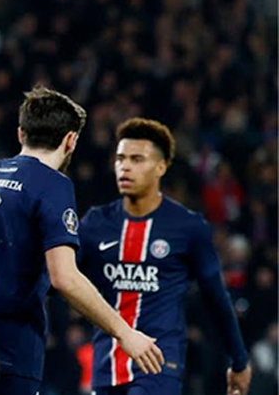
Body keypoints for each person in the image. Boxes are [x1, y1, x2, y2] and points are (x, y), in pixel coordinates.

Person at [0, 86, 164, 395]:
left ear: (20, 133)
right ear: (71, 141)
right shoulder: (52, 184)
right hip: (12, 348)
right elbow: (64, 277)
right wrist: (125, 333)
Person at [78, 118, 251, 395]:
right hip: (106, 366)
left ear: (161, 167)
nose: (125, 166)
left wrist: (239, 360)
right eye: (120, 159)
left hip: (159, 366)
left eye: (137, 159)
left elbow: (216, 297)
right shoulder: (95, 223)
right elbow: (63, 282)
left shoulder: (188, 227)